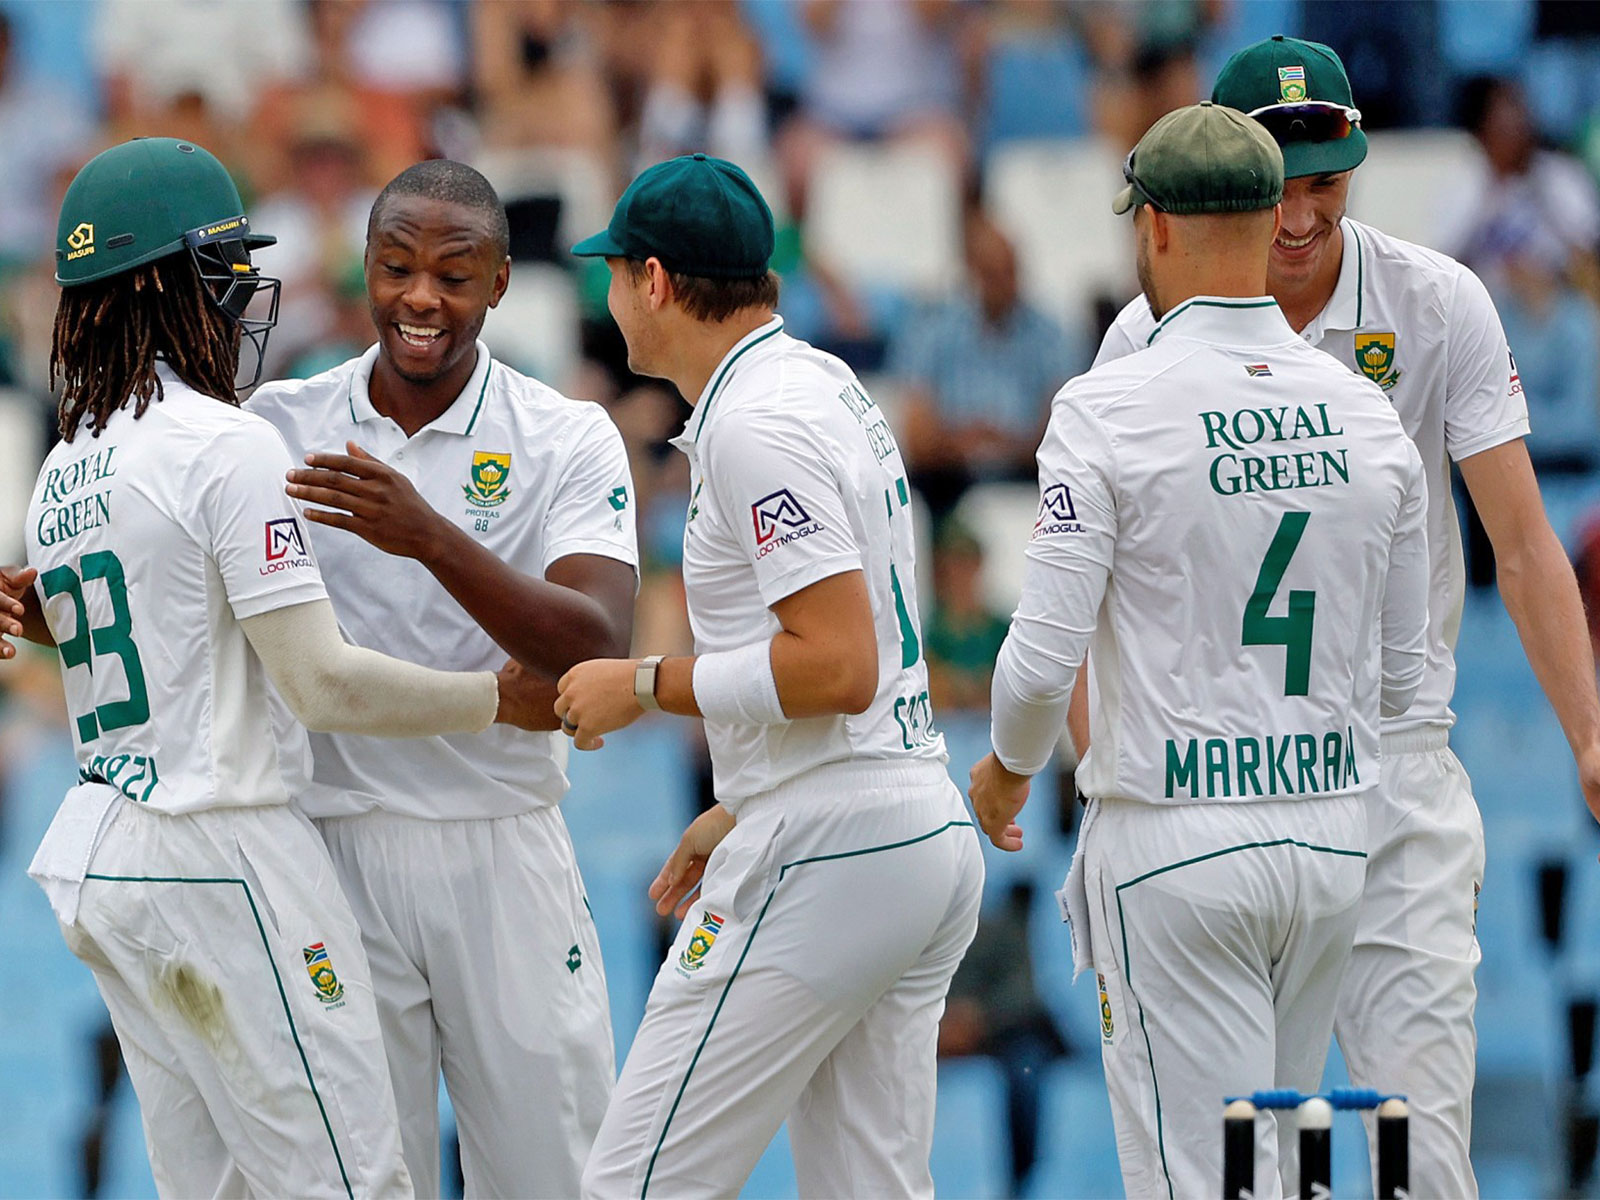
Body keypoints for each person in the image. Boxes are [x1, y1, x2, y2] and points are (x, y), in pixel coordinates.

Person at [1088, 37, 1600, 1197]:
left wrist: (1587, 729)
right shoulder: (1143, 338)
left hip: (1393, 765)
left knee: (1418, 1156)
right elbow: (1106, 581)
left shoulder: (1434, 302)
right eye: (1278, 181)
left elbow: (1520, 546)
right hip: (1225, 775)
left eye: (1326, 181)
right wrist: (1101, 779)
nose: (1303, 213)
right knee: (1244, 1169)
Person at [0, 136, 556, 1198]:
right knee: (353, 1185)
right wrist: (498, 697)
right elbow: (322, 685)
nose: (240, 292)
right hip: (226, 854)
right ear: (162, 279)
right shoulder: (223, 442)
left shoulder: (65, 462)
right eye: (218, 266)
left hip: (111, 861)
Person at [971, 101, 1431, 1198]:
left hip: (1177, 844)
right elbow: (1405, 672)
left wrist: (1004, 771)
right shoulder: (1366, 412)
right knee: (1288, 1169)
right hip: (1327, 839)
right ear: (1276, 215)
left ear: (1158, 229)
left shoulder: (1106, 407)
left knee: (1201, 1179)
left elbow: (1041, 663)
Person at [555, 153, 985, 1198]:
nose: (607, 298)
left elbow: (837, 663)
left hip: (832, 844)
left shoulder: (755, 424)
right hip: (904, 823)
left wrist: (648, 682)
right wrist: (744, 800)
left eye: (615, 274)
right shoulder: (817, 382)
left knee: (632, 1186)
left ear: (652, 282)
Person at [246, 158, 638, 1199]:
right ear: (363, 272)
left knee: (555, 1176)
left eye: (454, 275)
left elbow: (595, 639)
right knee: (368, 1182)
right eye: (396, 267)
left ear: (501, 284)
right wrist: (50, 605)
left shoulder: (564, 435)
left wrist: (429, 537)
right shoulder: (278, 426)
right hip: (334, 846)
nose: (421, 298)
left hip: (501, 846)